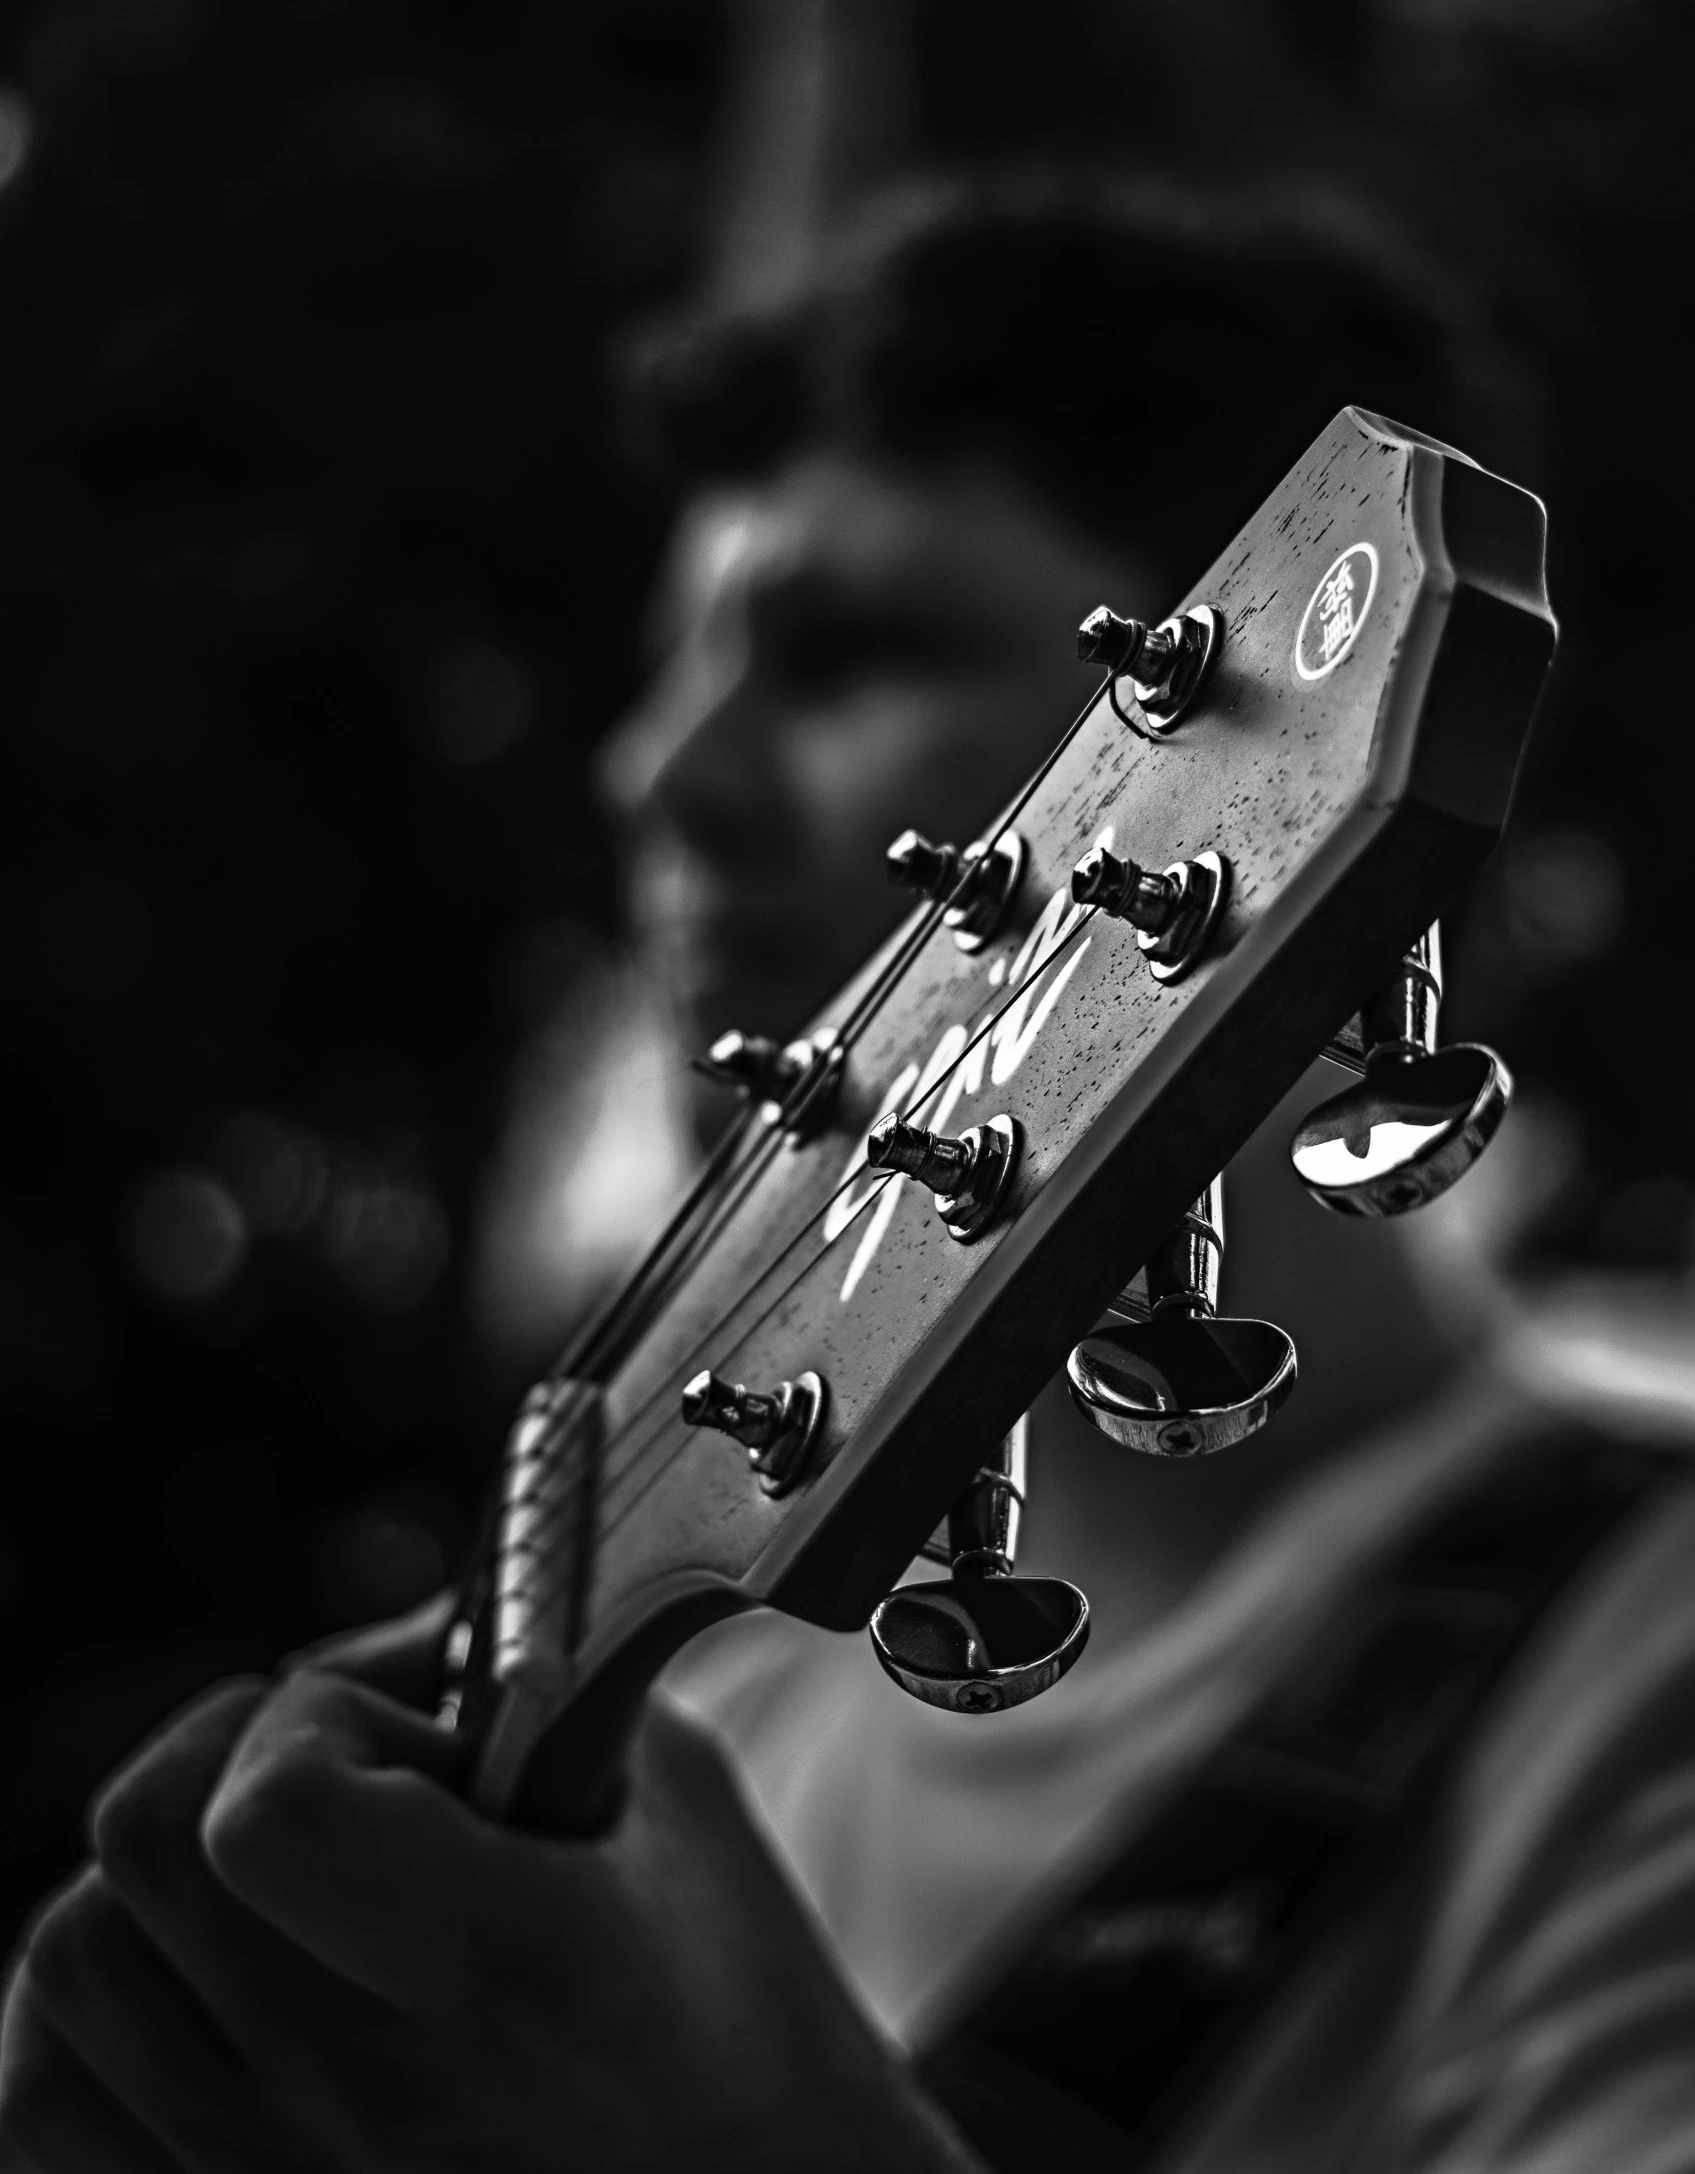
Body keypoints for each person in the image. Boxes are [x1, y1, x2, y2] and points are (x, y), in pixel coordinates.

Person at [6, 180, 1695, 2173]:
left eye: (841, 649)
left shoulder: (1637, 1678)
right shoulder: (709, 1727)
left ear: (1240, 756)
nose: (657, 773)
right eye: (668, 667)